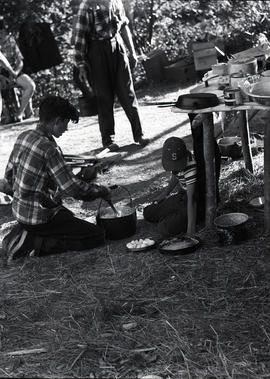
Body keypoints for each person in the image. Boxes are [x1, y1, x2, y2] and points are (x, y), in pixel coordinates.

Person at [2, 95, 111, 263]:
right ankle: (32, 244)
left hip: (20, 211)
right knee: (96, 235)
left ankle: (25, 230)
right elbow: (72, 189)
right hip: (39, 217)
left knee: (66, 216)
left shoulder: (24, 136)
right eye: (65, 123)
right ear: (57, 121)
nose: (65, 129)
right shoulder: (49, 149)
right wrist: (100, 191)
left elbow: (9, 177)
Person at [73, 0, 150, 150]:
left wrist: (132, 53)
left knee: (128, 93)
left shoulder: (116, 2)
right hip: (96, 51)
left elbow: (124, 26)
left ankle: (139, 134)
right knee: (104, 97)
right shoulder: (87, 6)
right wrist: (81, 65)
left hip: (117, 47)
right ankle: (108, 140)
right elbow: (79, 38)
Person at [143, 135, 220, 237]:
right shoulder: (179, 162)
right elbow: (176, 175)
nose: (175, 168)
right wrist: (165, 194)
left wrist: (190, 229)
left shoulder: (191, 168)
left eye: (177, 165)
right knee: (148, 212)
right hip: (182, 197)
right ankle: (173, 216)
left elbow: (192, 200)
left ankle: (181, 218)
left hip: (194, 202)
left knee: (163, 228)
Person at [0, 18, 35, 122]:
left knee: (30, 85)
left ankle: (19, 114)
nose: (2, 34)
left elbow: (20, 60)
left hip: (14, 72)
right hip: (1, 75)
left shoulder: (10, 41)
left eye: (2, 31)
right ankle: (6, 116)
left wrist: (15, 72)